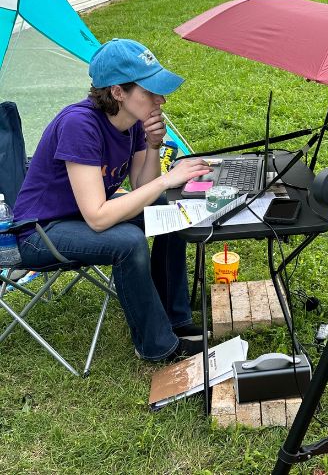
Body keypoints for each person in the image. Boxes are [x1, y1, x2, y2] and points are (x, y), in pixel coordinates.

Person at [13, 38, 212, 362]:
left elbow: (142, 187)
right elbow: (98, 218)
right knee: (129, 240)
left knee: (171, 211)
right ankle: (159, 348)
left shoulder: (130, 122)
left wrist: (152, 146)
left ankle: (176, 320)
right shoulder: (80, 124)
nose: (160, 99)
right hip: (39, 231)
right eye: (150, 92)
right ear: (118, 92)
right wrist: (167, 178)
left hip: (79, 216)